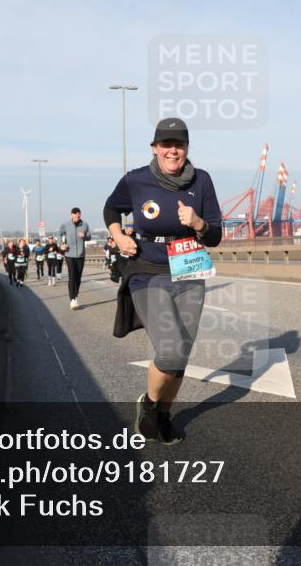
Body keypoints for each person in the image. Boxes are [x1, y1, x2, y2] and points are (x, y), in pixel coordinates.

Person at [103, 118, 221, 445]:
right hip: (146, 271)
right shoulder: (136, 180)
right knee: (169, 351)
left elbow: (216, 235)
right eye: (166, 144)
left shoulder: (203, 181)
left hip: (189, 270)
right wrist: (116, 234)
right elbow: (112, 209)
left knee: (181, 354)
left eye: (179, 144)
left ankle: (164, 415)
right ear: (155, 148)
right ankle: (149, 405)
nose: (173, 150)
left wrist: (198, 223)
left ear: (186, 149)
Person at [58, 208, 90, 310]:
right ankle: (72, 300)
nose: (77, 218)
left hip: (81, 255)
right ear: (71, 215)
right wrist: (61, 244)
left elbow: (89, 236)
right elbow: (59, 234)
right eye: (75, 216)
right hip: (69, 254)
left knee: (78, 277)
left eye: (79, 216)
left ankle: (75, 297)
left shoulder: (84, 224)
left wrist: (84, 236)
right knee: (72, 276)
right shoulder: (66, 225)